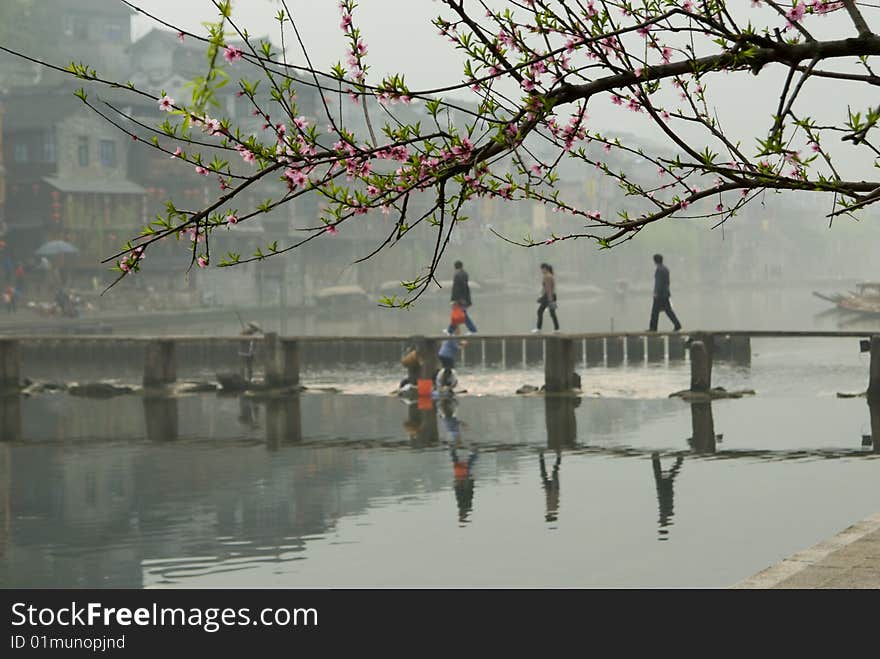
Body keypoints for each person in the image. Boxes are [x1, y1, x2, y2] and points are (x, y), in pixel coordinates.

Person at [648, 253, 682, 332]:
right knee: (668, 311)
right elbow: (667, 282)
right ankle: (677, 325)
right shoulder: (666, 269)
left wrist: (656, 292)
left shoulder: (659, 270)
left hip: (660, 295)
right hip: (666, 294)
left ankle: (653, 328)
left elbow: (658, 282)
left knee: (655, 312)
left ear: (655, 261)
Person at [447, 260, 477, 334]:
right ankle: (450, 330)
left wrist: (455, 299)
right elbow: (465, 287)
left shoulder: (457, 275)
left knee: (462, 315)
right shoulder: (465, 274)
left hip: (459, 299)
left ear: (455, 267)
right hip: (464, 298)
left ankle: (472, 330)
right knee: (459, 314)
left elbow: (457, 288)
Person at [437, 325, 464, 392]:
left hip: (443, 354)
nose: (459, 332)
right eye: (458, 330)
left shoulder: (451, 336)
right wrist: (462, 346)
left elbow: (455, 343)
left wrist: (460, 343)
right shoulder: (452, 336)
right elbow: (455, 347)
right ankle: (445, 385)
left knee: (448, 370)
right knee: (448, 370)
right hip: (447, 355)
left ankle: (445, 384)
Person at [532, 263, 559, 332]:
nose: (541, 271)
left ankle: (538, 328)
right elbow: (546, 288)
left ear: (545, 269)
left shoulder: (547, 276)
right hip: (551, 296)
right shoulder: (550, 275)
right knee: (552, 313)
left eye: (542, 269)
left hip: (548, 297)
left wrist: (550, 299)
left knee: (540, 311)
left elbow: (548, 288)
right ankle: (556, 329)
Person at [539, 450, 561, 523]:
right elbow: (554, 497)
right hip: (553, 489)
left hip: (550, 490)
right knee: (553, 472)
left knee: (546, 473)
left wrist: (546, 489)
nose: (547, 514)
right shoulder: (553, 509)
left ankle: (542, 457)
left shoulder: (552, 510)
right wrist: (552, 489)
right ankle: (558, 456)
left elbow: (549, 498)